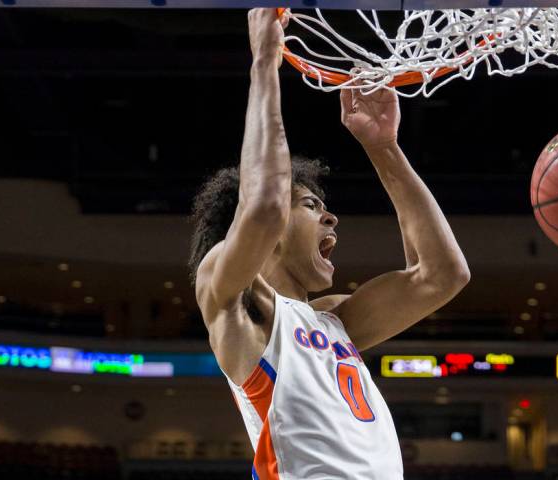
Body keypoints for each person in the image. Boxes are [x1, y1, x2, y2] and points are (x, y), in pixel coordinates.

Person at [188, 8, 470, 480]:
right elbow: (262, 207)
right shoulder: (231, 296)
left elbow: (441, 275)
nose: (330, 215)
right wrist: (264, 60)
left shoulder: (335, 322)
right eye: (311, 204)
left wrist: (384, 147)